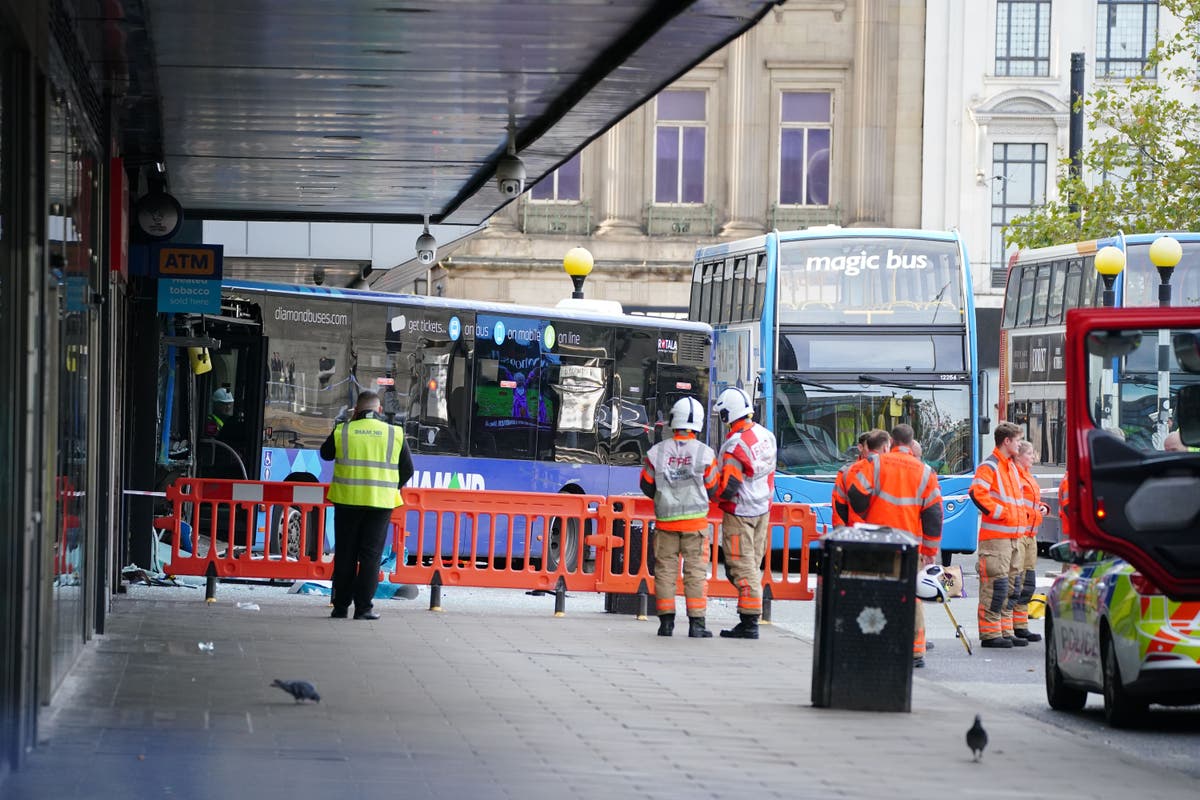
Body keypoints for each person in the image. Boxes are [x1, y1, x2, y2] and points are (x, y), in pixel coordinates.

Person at [848, 428, 943, 668]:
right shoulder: (926, 472)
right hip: (909, 545)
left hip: (877, 543)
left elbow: (855, 495)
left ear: (891, 441)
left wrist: (868, 514)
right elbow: (934, 515)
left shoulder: (876, 464)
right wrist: (930, 552)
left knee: (875, 594)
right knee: (910, 597)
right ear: (911, 444)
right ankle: (915, 651)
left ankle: (876, 647)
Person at [320, 390, 414, 620]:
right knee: (370, 557)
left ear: (356, 410)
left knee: (345, 556)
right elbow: (408, 470)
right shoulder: (394, 433)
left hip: (347, 502)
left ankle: (340, 607)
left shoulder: (344, 430)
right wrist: (389, 487)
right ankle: (363, 609)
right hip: (379, 505)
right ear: (379, 410)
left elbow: (325, 454)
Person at [640, 396, 720, 638]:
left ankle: (666, 624)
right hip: (695, 526)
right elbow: (713, 487)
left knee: (665, 571)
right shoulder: (705, 454)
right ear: (699, 423)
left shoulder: (657, 452)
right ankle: (697, 625)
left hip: (665, 524)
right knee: (695, 573)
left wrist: (665, 497)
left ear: (673, 421)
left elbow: (646, 485)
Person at [712, 387, 778, 640]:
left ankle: (750, 622)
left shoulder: (735, 445)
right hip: (762, 509)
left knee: (739, 565)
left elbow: (728, 486)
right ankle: (748, 616)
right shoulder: (765, 435)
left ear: (728, 414)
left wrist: (707, 492)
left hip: (740, 512)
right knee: (751, 564)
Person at [969, 422, 1027, 649]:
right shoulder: (990, 466)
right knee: (996, 586)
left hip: (1012, 537)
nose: (1020, 444)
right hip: (996, 539)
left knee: (1011, 587)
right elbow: (977, 493)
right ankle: (990, 634)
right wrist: (1000, 513)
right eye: (1018, 440)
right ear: (1007, 441)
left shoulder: (1010, 466)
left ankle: (1004, 629)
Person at [1011, 440, 1044, 642]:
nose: (1033, 457)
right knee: (1017, 582)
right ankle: (1014, 626)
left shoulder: (1028, 476)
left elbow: (1032, 502)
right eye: (1030, 453)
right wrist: (1034, 512)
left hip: (1031, 534)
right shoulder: (1016, 476)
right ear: (1020, 456)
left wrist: (1042, 509)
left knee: (1027, 583)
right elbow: (1016, 505)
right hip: (1021, 533)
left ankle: (1021, 624)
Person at [831, 432, 869, 528]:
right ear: (860, 447)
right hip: (855, 532)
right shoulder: (847, 471)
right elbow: (839, 505)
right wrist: (839, 531)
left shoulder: (887, 469)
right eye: (870, 447)